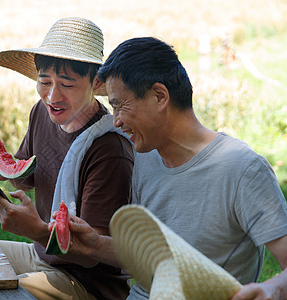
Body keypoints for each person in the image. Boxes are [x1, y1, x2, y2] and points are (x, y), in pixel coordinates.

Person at [60, 37, 287, 300]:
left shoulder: (243, 169)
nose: (117, 120)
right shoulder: (145, 157)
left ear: (159, 96)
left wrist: (273, 289)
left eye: (119, 105)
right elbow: (156, 261)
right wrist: (96, 245)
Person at [0, 17, 134, 300]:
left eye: (67, 84)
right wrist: (4, 172)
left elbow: (89, 255)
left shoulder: (109, 150)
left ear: (96, 82)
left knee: (6, 293)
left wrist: (36, 230)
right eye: (44, 81)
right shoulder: (42, 113)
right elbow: (28, 174)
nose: (53, 95)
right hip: (42, 255)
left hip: (89, 283)